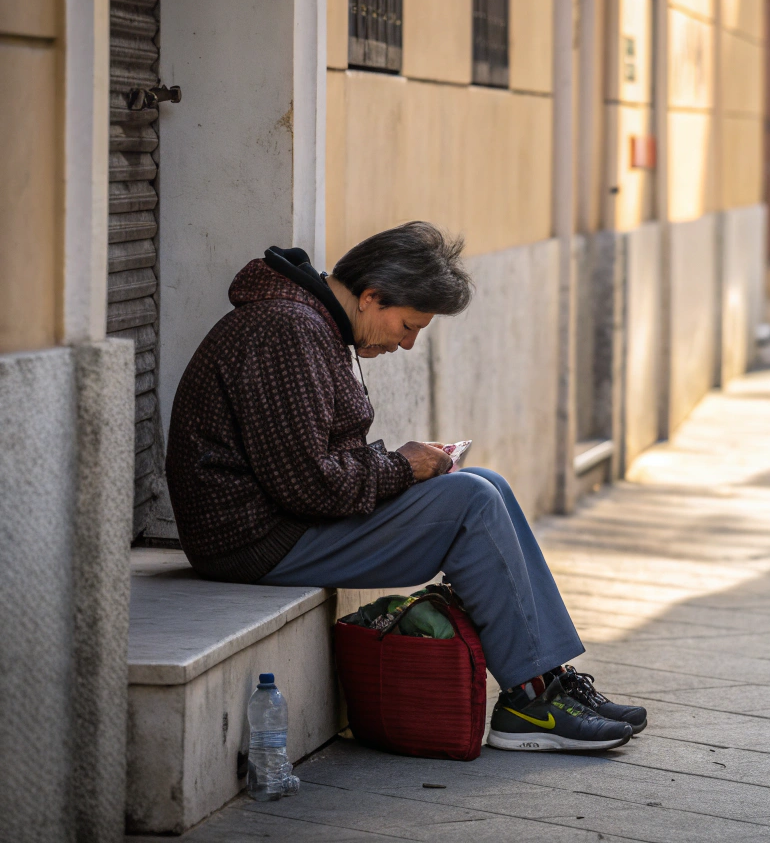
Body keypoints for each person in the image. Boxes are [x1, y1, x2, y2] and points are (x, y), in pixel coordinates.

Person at [166, 222, 645, 753]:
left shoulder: (312, 323)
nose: (408, 343)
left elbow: (308, 466)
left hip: (289, 522)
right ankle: (531, 701)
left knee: (485, 483)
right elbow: (307, 485)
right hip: (255, 540)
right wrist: (401, 467)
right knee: (471, 502)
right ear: (371, 296)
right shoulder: (288, 330)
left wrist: (403, 466)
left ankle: (549, 678)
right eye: (408, 325)